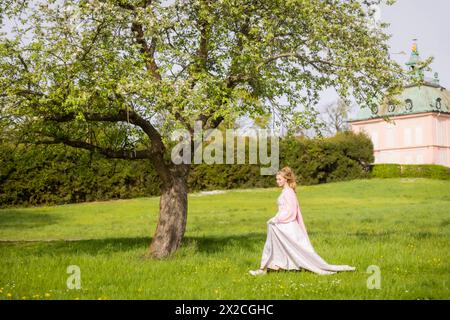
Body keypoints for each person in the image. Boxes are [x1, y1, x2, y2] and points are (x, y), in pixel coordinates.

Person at [249, 166, 356, 276]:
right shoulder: (285, 191)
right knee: (274, 243)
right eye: (277, 179)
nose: (277, 182)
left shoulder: (289, 192)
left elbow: (291, 210)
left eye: (279, 179)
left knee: (299, 250)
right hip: (283, 223)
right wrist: (275, 219)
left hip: (288, 225)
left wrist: (277, 219)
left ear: (286, 179)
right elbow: (283, 209)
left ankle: (267, 268)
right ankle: (269, 267)